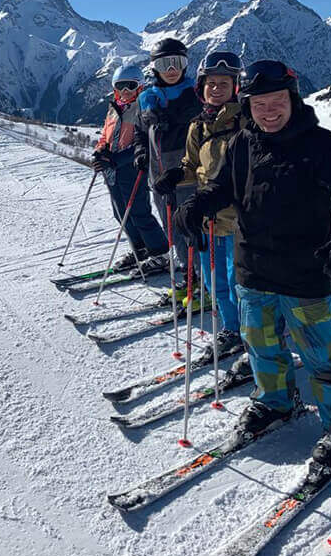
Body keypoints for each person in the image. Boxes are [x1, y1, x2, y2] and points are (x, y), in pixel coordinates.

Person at [172, 59, 331, 466]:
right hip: (252, 270)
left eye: (276, 101)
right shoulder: (242, 144)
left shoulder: (324, 146)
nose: (268, 111)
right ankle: (276, 402)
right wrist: (197, 205)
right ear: (247, 105)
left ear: (293, 99)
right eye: (259, 103)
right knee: (262, 347)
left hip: (305, 273)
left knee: (324, 359)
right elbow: (222, 187)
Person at [157, 51, 246, 353]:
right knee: (214, 280)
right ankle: (231, 329)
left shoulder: (247, 122)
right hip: (208, 218)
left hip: (239, 219)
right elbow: (191, 164)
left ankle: (252, 334)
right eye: (211, 83)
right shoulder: (198, 125)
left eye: (224, 82)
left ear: (236, 86)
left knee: (240, 283)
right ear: (202, 86)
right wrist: (174, 176)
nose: (217, 88)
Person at [133, 38, 201, 279]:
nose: (171, 70)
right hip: (158, 180)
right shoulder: (146, 99)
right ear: (154, 68)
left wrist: (172, 118)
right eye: (164, 64)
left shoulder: (195, 95)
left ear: (185, 65)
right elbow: (140, 133)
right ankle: (188, 274)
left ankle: (202, 280)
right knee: (171, 231)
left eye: (177, 63)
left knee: (191, 229)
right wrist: (141, 151)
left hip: (187, 178)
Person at [92, 65, 169, 271]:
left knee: (138, 212)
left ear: (140, 86)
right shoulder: (114, 109)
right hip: (112, 170)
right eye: (120, 86)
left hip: (133, 167)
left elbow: (142, 143)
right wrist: (100, 151)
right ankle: (141, 248)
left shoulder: (143, 108)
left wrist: (117, 159)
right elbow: (104, 136)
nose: (125, 91)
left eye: (130, 86)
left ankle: (160, 253)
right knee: (120, 213)